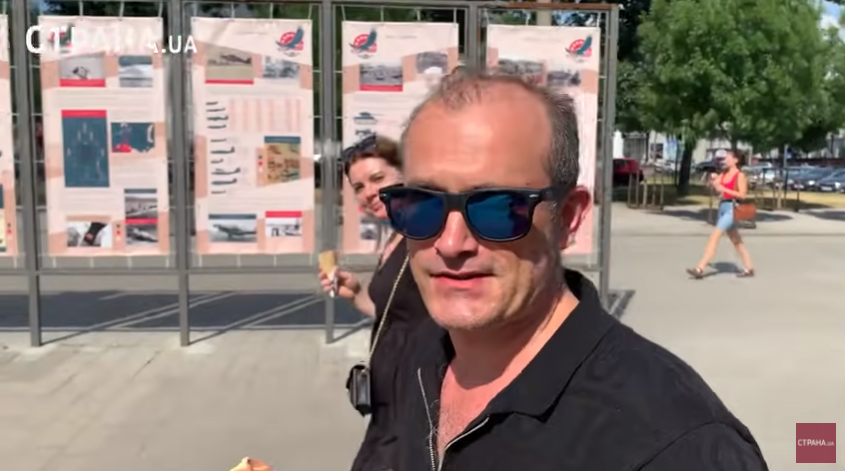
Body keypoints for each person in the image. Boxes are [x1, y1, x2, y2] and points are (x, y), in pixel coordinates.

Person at [377, 69, 768, 470]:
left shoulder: (678, 447)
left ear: (567, 218)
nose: (450, 243)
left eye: (496, 207)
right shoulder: (415, 359)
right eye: (420, 204)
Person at [318, 134, 429, 471]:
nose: (368, 192)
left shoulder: (427, 234)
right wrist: (356, 294)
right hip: (391, 392)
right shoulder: (397, 234)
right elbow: (395, 315)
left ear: (405, 173)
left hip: (420, 392)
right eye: (359, 187)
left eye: (378, 178)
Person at [686, 151, 755, 279]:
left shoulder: (739, 175)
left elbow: (742, 195)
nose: (725, 160)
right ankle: (749, 268)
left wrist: (724, 189)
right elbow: (712, 186)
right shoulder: (723, 173)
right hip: (722, 207)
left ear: (736, 160)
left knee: (714, 237)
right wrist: (712, 180)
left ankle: (700, 268)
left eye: (728, 158)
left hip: (732, 208)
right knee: (736, 241)